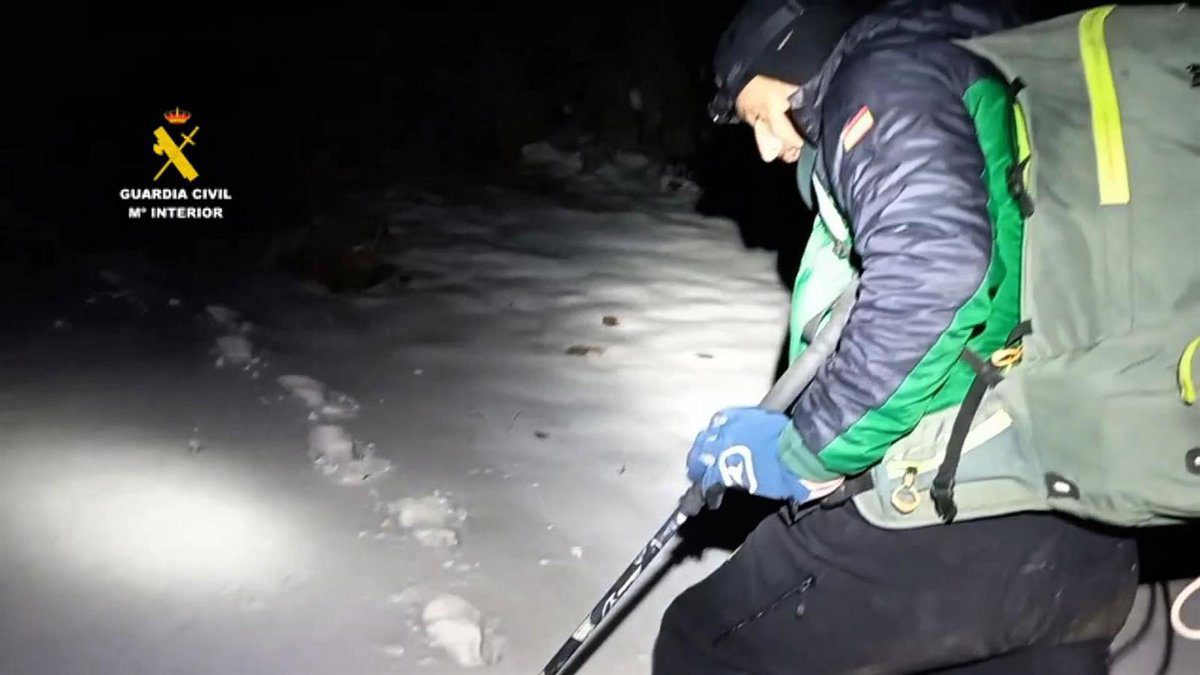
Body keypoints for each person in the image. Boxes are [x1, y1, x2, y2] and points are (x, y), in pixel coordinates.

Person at [653, 1, 1140, 673]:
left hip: (955, 501)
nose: (765, 146)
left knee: (702, 643)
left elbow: (933, 273)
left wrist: (805, 453)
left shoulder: (882, 77)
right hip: (1083, 523)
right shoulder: (977, 68)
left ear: (795, 60)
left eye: (760, 115)